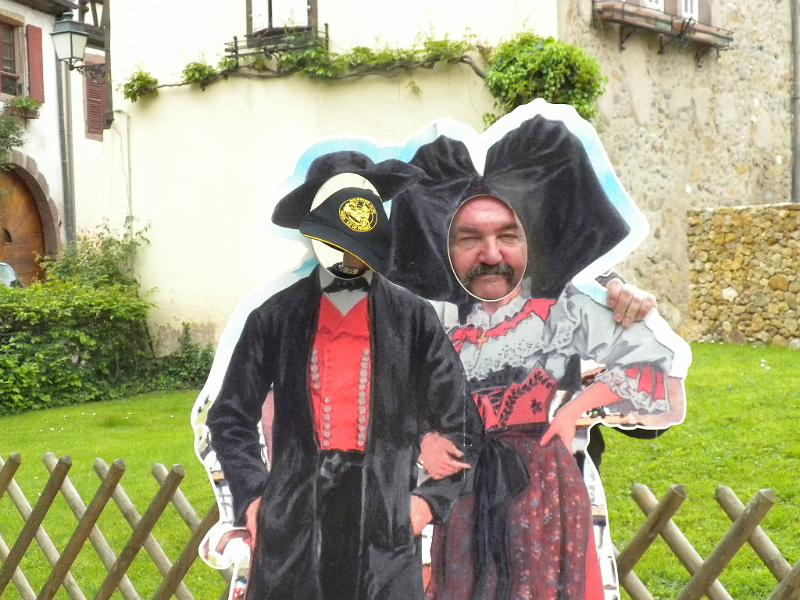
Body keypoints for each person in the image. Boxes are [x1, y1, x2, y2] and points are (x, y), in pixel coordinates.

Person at [385, 111, 690, 600]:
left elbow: (658, 374)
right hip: (458, 500)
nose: (490, 254)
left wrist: (574, 409)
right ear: (446, 249)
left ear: (530, 240)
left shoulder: (563, 311)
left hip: (544, 493)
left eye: (507, 235)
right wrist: (421, 439)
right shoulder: (434, 326)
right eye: (469, 238)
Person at [206, 151, 483, 600]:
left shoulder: (413, 319)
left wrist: (426, 502)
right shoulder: (274, 318)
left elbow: (463, 424)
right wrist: (254, 495)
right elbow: (230, 416)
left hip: (384, 511)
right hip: (296, 513)